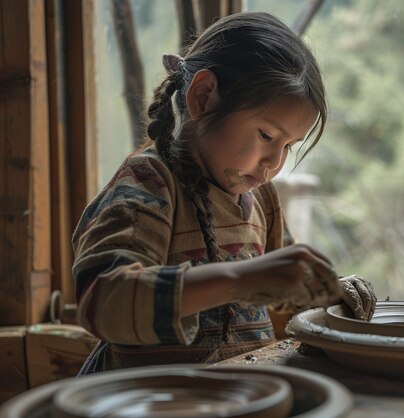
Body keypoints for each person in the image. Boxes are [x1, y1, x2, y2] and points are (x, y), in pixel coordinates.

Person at [72, 11, 376, 375]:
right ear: (203, 96)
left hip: (242, 399)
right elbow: (103, 301)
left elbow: (283, 294)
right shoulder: (150, 184)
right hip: (151, 404)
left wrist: (328, 292)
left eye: (288, 146)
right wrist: (240, 280)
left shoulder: (263, 201)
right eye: (266, 136)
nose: (274, 163)